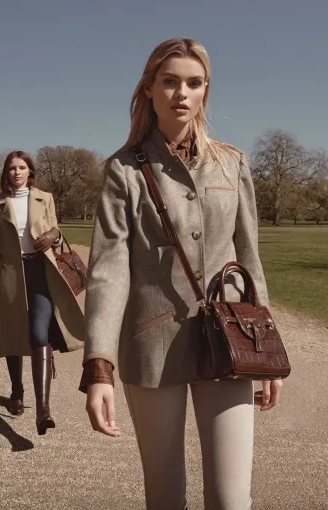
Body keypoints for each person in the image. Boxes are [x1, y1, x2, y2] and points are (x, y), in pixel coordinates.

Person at [79, 38, 284, 509]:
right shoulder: (123, 172)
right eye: (169, 81)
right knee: (165, 496)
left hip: (229, 344)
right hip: (152, 349)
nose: (181, 93)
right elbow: (109, 273)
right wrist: (99, 368)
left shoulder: (232, 164)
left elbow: (250, 261)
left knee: (232, 500)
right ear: (149, 88)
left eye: (193, 83)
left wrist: (266, 347)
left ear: (205, 91)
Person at [0, 150, 85, 435]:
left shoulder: (45, 198)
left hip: (41, 273)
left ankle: (43, 409)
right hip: (10, 279)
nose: (16, 172)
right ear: (6, 173)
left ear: (30, 172)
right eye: (12, 168)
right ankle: (17, 390)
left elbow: (55, 228)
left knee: (39, 334)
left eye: (22, 167)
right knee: (14, 336)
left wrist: (53, 235)